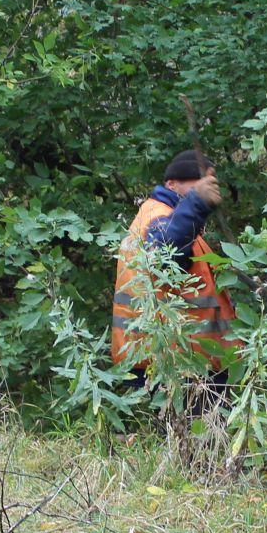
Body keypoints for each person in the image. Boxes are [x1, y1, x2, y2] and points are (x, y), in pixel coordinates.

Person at [112, 148, 237, 376]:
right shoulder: (158, 217)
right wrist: (197, 202)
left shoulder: (174, 219)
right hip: (175, 370)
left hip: (179, 363)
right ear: (171, 184)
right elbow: (163, 256)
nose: (205, 190)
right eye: (196, 185)